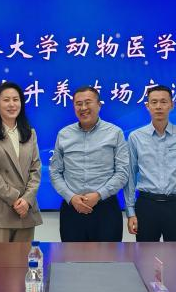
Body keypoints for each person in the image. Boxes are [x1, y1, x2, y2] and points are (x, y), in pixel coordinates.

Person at [49, 86, 129, 242]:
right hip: (72, 209)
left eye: (88, 102)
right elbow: (55, 172)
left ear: (99, 105)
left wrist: (98, 195)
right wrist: (71, 197)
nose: (83, 108)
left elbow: (122, 172)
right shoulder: (64, 134)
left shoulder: (115, 133)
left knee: (108, 257)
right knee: (72, 257)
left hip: (105, 209)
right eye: (78, 104)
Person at [124, 85, 176, 242]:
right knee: (145, 254)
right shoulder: (135, 137)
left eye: (164, 102)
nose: (159, 106)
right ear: (147, 106)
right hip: (147, 205)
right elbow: (130, 176)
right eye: (154, 102)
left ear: (172, 105)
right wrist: (130, 212)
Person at [0, 82, 42, 242]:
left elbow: (35, 170)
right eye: (6, 100)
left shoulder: (30, 133)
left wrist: (27, 200)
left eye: (16, 99)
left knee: (24, 258)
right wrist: (16, 199)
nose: (12, 104)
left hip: (25, 212)